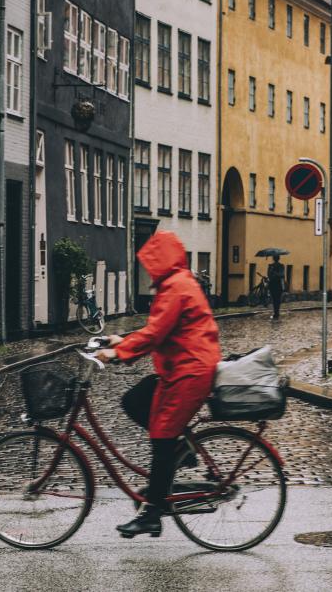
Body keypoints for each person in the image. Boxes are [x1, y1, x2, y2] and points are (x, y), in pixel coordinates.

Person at [96, 231, 221, 539]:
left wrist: (118, 351)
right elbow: (159, 329)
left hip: (189, 371)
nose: (150, 269)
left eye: (153, 262)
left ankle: (152, 513)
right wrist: (123, 340)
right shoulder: (175, 283)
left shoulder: (177, 286)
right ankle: (181, 452)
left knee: (162, 435)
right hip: (180, 367)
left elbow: (155, 335)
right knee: (135, 401)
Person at [267, 254, 286, 320]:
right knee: (275, 299)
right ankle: (276, 312)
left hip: (277, 284)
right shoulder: (271, 266)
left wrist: (274, 273)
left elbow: (282, 274)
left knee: (276, 299)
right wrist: (272, 272)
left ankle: (276, 313)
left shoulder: (281, 266)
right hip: (274, 284)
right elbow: (269, 275)